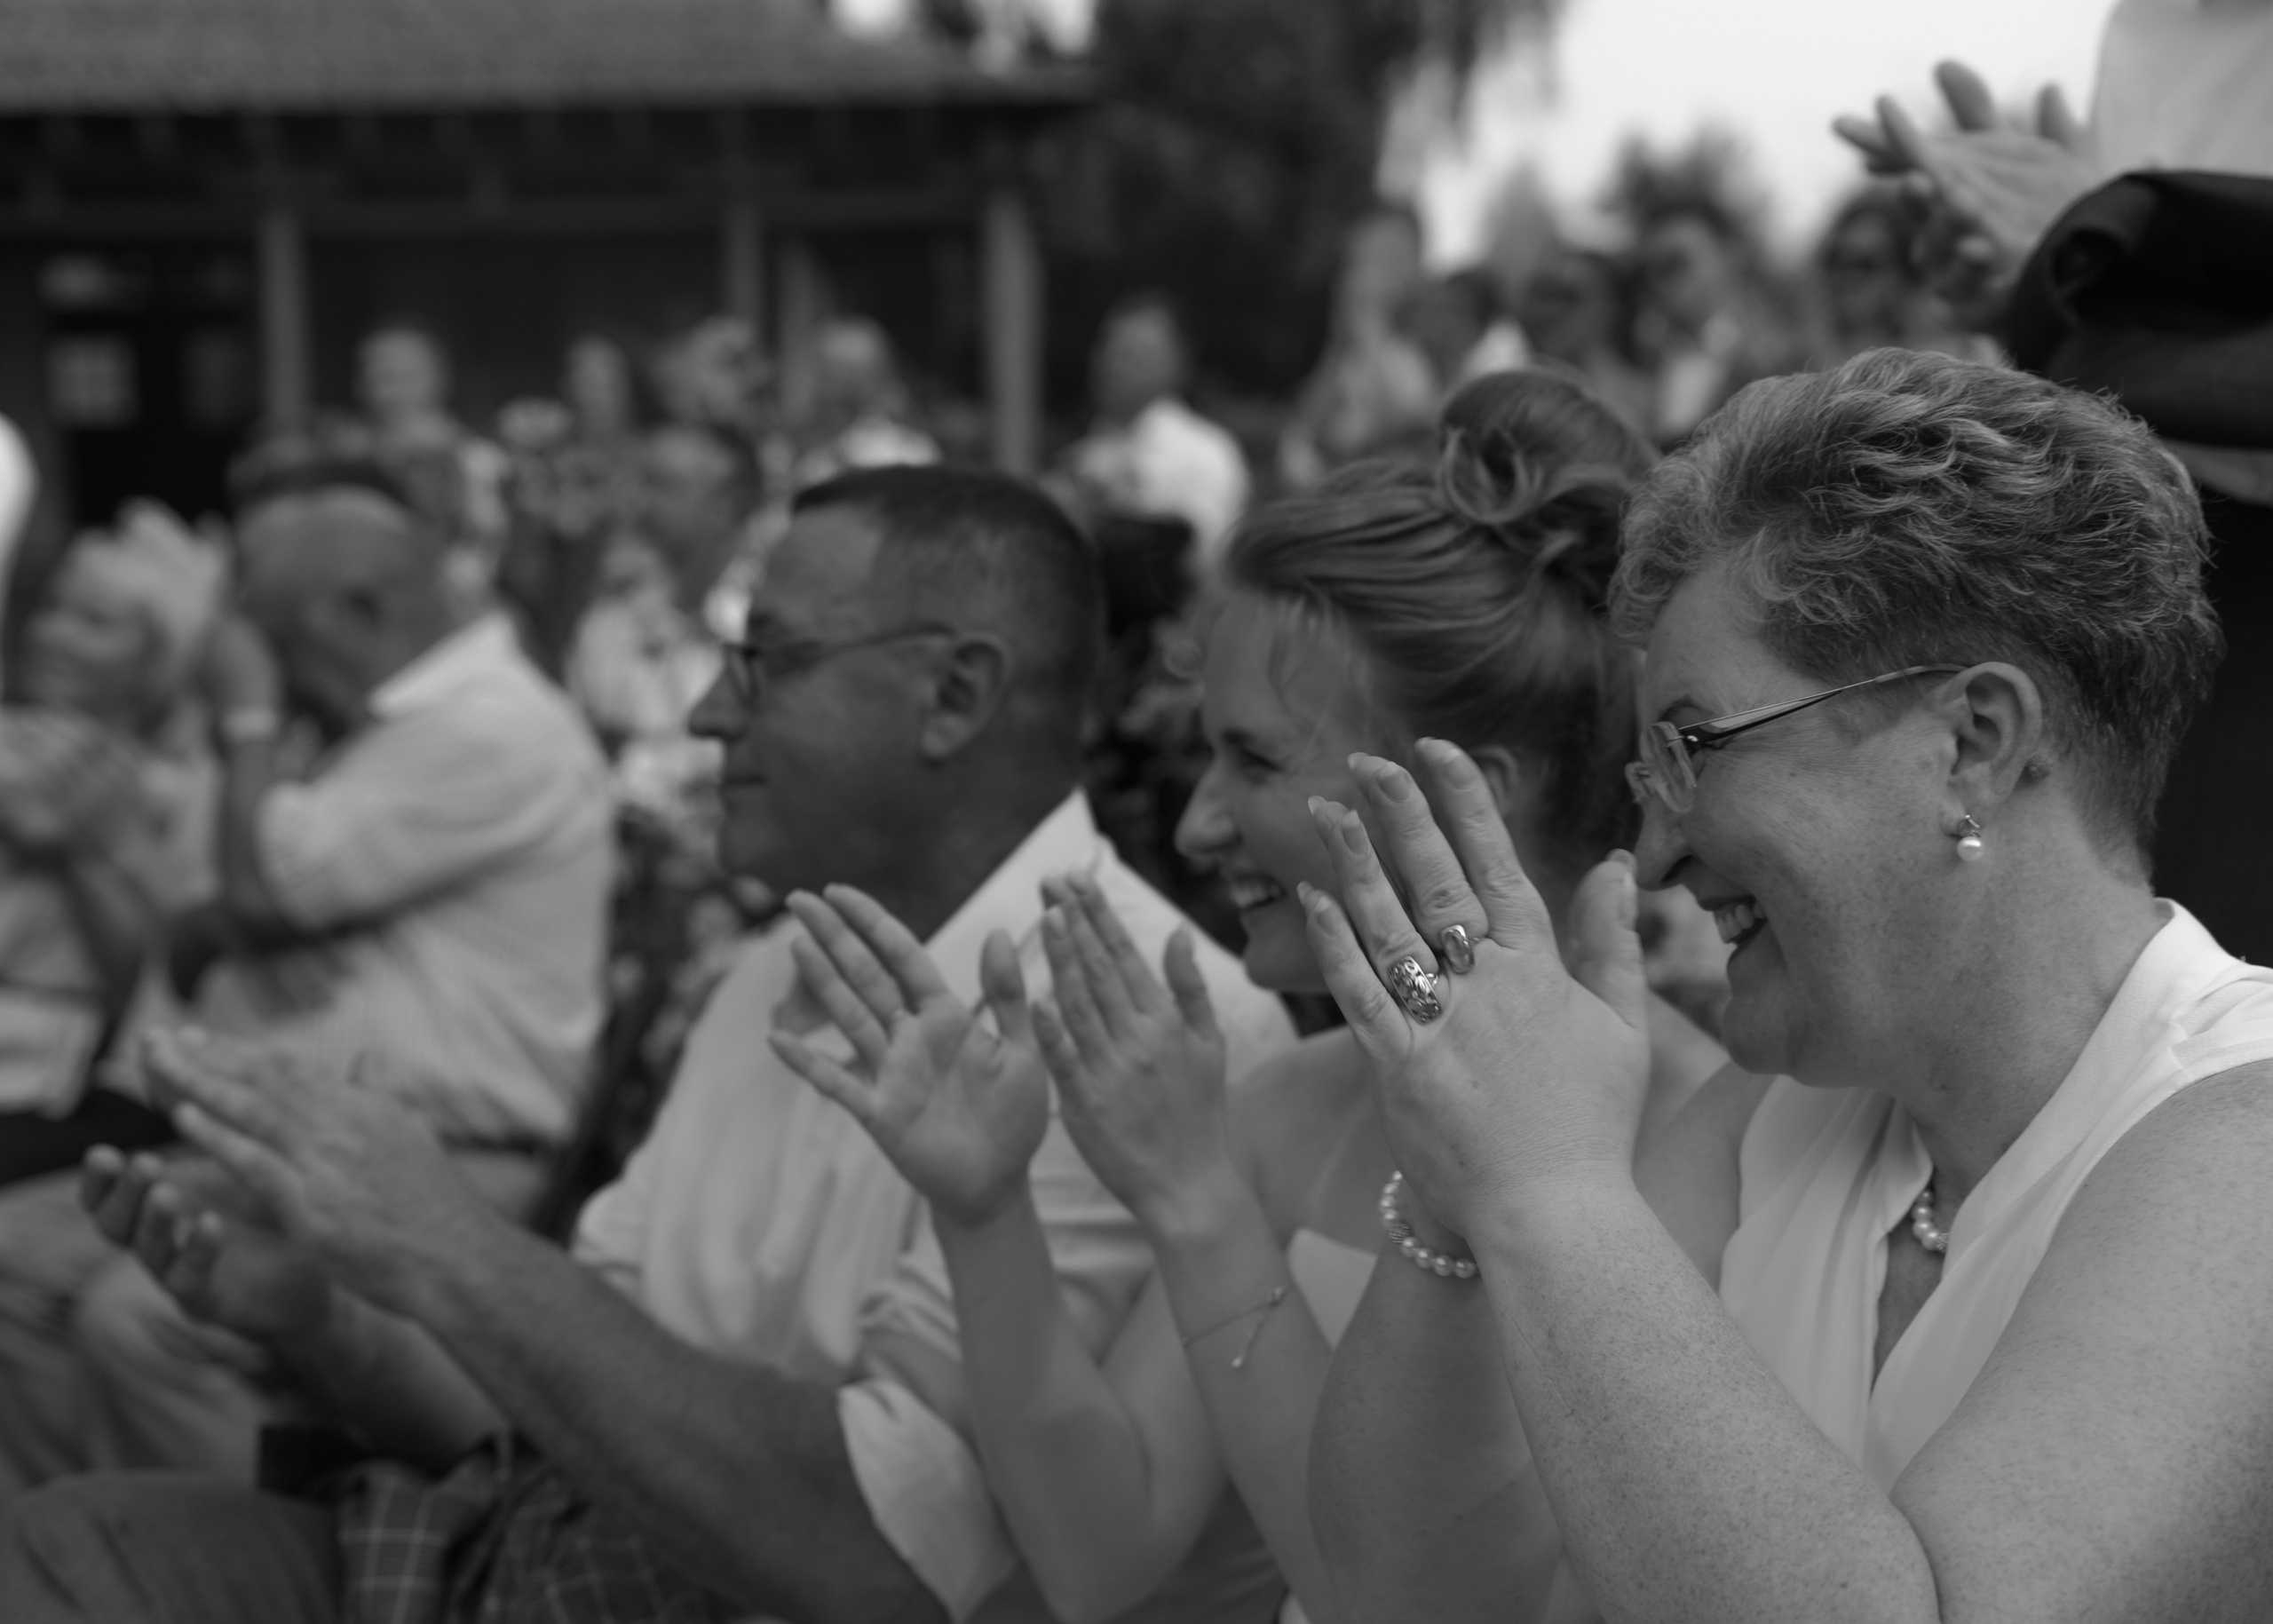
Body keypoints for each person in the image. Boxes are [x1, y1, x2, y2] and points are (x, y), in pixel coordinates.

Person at [0, 465, 1295, 1624]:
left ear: (952, 695)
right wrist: (326, 1314)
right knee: (63, 1540)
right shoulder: (764, 972)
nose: (707, 717)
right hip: (527, 1558)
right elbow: (550, 1413)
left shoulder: (1147, 1036)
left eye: (767, 661)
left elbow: (877, 1560)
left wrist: (442, 1237)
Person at [1303, 348, 2273, 1623]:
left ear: (1973, 742)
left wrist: (1552, 1189)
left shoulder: (2245, 1141)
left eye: (1691, 747)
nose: (1654, 849)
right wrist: (1462, 1169)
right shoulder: (1776, 1120)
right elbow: (1414, 1595)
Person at [778, 373, 1730, 1624]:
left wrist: (1199, 1208)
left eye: (1255, 758)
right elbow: (1097, 1552)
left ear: (1465, 791)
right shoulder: (1293, 1104)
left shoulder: (1712, 1142)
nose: (1197, 824)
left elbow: (1399, 1601)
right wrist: (983, 1209)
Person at [0, 458, 612, 1500]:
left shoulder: (490, 723)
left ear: (360, 612)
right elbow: (224, 915)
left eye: (278, 642)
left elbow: (256, 888)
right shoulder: (399, 724)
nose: (273, 677)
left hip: (444, 1156)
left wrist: (244, 722)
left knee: (139, 1317)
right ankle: (80, 1550)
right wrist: (246, 921)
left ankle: (213, 1564)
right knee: (14, 1259)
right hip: (304, 1140)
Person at [0, 508, 224, 1167]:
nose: (53, 635)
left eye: (95, 623)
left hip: (52, 1076)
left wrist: (84, 847)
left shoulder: (182, 788)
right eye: (52, 608)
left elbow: (160, 983)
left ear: (156, 657)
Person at [1062, 295, 1251, 576]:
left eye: (1136, 353)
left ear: (1178, 363)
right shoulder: (1080, 457)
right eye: (1110, 349)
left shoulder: (1207, 451)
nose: (1115, 365)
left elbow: (1204, 560)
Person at [1277, 206, 1440, 488]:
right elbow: (1304, 439)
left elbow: (1395, 427)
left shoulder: (1413, 361)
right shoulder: (1341, 356)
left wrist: (1368, 327)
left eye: (1385, 261)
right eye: (1355, 263)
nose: (1357, 279)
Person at [791, 317, 942, 491]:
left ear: (851, 376)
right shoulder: (818, 442)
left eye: (824, 371)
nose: (815, 384)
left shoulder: (896, 450)